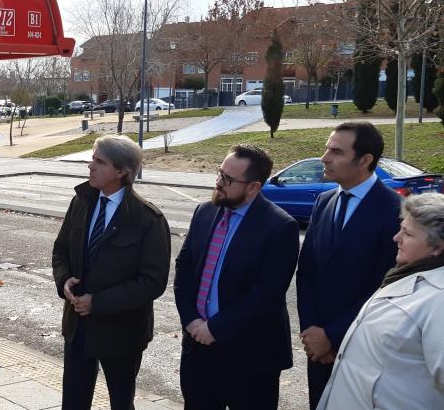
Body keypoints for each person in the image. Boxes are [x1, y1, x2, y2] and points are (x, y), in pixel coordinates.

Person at [174, 144, 299, 410]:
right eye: (219, 173)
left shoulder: (279, 227)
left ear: (253, 187)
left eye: (228, 180)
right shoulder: (204, 212)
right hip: (198, 349)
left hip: (250, 357)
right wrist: (192, 321)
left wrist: (215, 328)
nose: (218, 183)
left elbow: (267, 295)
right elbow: (184, 269)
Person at [52, 134, 171, 410]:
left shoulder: (147, 219)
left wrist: (99, 303)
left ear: (122, 171)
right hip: (78, 326)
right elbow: (61, 251)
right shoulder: (81, 202)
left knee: (121, 401)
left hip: (122, 332)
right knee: (73, 401)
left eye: (99, 161)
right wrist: (64, 281)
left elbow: (152, 282)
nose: (90, 166)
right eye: (92, 159)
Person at [296, 121, 402, 409]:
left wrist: (332, 335)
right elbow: (307, 272)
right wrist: (312, 331)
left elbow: (385, 287)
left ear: (365, 160)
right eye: (326, 148)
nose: (324, 157)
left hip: (363, 348)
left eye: (336, 151)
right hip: (317, 348)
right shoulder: (324, 200)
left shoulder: (394, 211)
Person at [317, 193, 444, 409]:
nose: (396, 238)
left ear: (437, 247)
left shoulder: (439, 299)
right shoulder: (404, 274)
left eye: (408, 233)